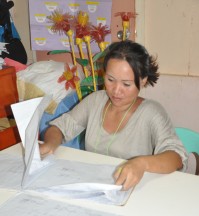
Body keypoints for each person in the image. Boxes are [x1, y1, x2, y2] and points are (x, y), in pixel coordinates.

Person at [40, 40, 188, 190]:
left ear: (142, 81)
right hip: (94, 185)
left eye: (126, 84)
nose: (116, 91)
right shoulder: (95, 101)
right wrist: (51, 144)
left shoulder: (152, 112)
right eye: (110, 80)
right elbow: (59, 128)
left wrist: (142, 163)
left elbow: (176, 157)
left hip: (134, 190)